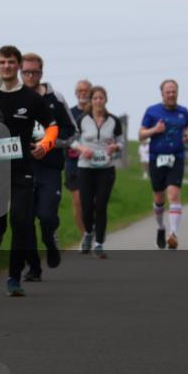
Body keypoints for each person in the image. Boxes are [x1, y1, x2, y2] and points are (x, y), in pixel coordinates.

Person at [0, 45, 57, 297]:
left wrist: (45, 146)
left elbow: (52, 126)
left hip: (22, 169)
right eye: (2, 62)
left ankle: (14, 278)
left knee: (22, 222)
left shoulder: (31, 98)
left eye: (11, 62)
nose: (7, 66)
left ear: (19, 66)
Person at [20, 53, 78, 279]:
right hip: (22, 167)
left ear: (41, 73)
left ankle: (50, 240)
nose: (30, 76)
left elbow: (72, 131)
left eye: (34, 72)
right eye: (26, 72)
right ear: (20, 73)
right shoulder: (12, 97)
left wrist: (48, 142)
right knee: (25, 220)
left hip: (50, 167)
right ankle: (33, 268)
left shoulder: (55, 98)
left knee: (46, 216)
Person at [138, 79, 188, 250]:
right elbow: (140, 135)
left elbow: (186, 129)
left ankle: (173, 234)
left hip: (176, 156)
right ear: (162, 94)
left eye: (174, 91)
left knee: (174, 194)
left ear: (177, 93)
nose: (171, 94)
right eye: (168, 92)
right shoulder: (152, 111)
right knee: (159, 198)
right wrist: (155, 130)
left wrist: (187, 137)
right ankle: (161, 228)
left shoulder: (184, 112)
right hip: (156, 158)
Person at [74, 86, 124, 258]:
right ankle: (88, 233)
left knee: (101, 205)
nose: (98, 101)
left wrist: (115, 147)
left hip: (106, 168)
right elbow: (72, 140)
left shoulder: (114, 121)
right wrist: (82, 148)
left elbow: (121, 142)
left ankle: (99, 243)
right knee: (86, 206)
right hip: (86, 167)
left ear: (106, 100)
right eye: (95, 98)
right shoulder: (83, 119)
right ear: (91, 100)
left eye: (101, 98)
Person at [65, 79, 92, 252]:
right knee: (78, 201)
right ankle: (85, 235)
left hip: (93, 164)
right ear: (76, 93)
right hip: (73, 163)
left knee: (94, 201)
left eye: (86, 91)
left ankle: (93, 228)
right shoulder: (69, 113)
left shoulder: (96, 113)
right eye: (79, 91)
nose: (82, 93)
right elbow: (64, 134)